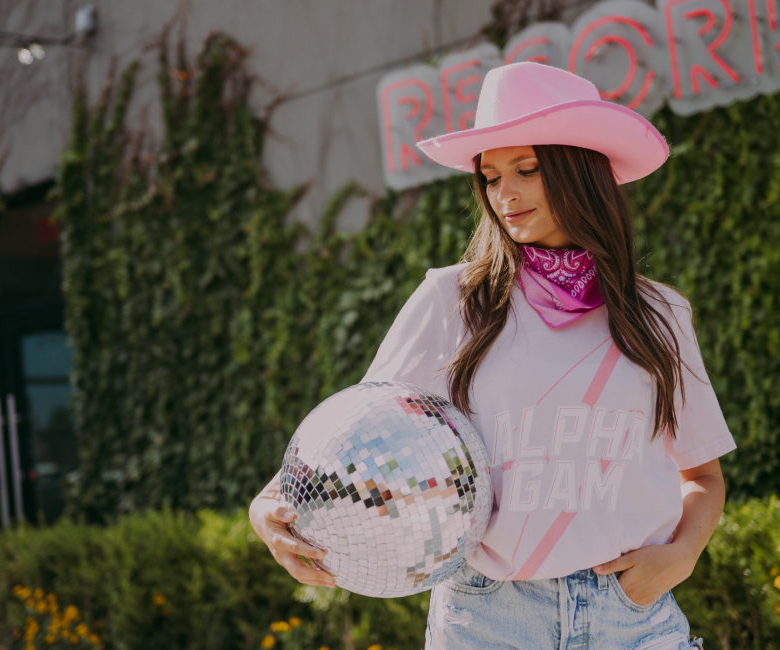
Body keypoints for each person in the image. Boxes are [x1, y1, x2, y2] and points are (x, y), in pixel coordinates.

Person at [249, 62, 734, 650]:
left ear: (582, 171)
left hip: (632, 616)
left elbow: (702, 475)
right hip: (489, 616)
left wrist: (682, 555)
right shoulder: (453, 300)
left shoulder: (660, 315)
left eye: (527, 170)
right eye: (491, 176)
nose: (505, 194)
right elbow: (356, 435)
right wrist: (269, 503)